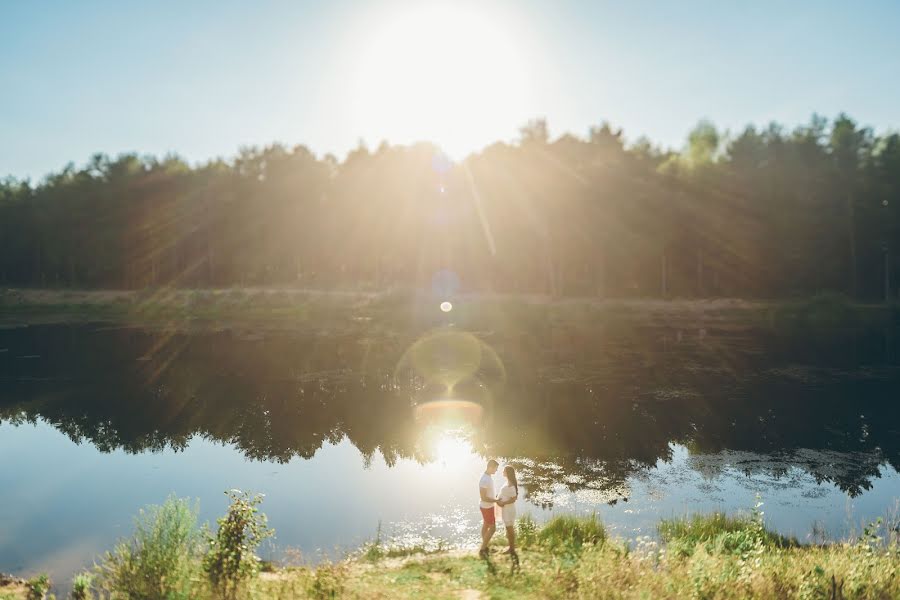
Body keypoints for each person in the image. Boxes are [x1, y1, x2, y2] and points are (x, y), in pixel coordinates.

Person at [478, 459, 500, 558]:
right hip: (487, 507)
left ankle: (485, 546)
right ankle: (483, 549)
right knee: (492, 528)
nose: (496, 471)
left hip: (488, 506)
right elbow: (483, 497)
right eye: (495, 468)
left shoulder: (488, 476)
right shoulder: (484, 480)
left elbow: (488, 493)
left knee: (486, 525)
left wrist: (495, 498)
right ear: (490, 467)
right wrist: (496, 501)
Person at [498, 465, 519, 555]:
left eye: (504, 470)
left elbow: (514, 499)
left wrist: (503, 503)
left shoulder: (511, 485)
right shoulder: (508, 482)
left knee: (509, 529)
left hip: (508, 510)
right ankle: (511, 547)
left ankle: (511, 549)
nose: (502, 472)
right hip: (506, 510)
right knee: (508, 529)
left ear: (507, 473)